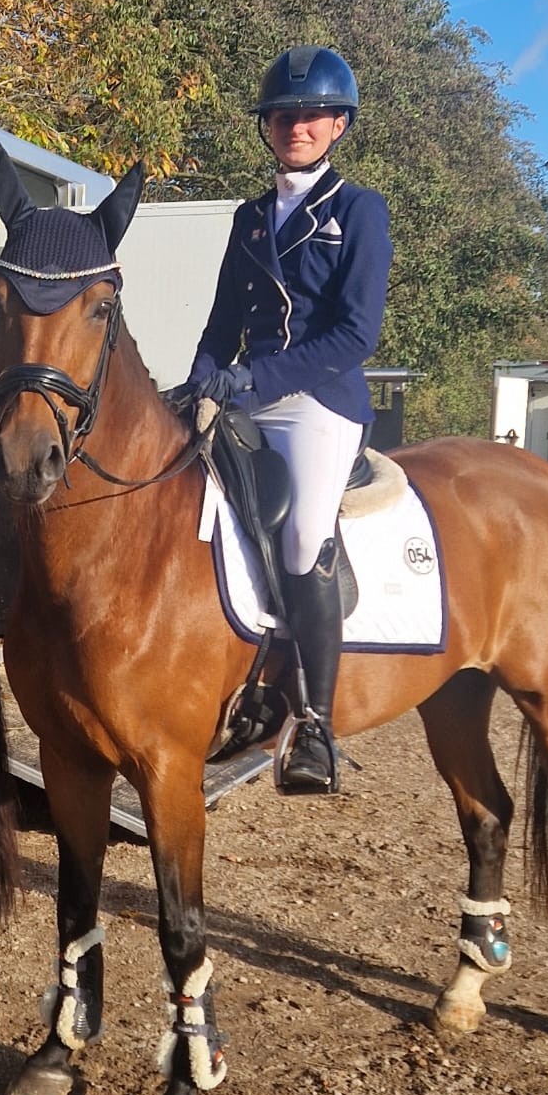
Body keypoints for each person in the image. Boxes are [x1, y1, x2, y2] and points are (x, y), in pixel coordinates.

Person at [181, 45, 391, 795]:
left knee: (303, 535)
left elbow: (355, 335)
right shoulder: (247, 218)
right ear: (267, 127)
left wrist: (254, 377)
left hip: (319, 399)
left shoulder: (358, 211)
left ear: (337, 124)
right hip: (244, 393)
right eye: (282, 116)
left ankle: (318, 725)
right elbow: (219, 325)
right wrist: (198, 385)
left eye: (309, 116)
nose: (295, 125)